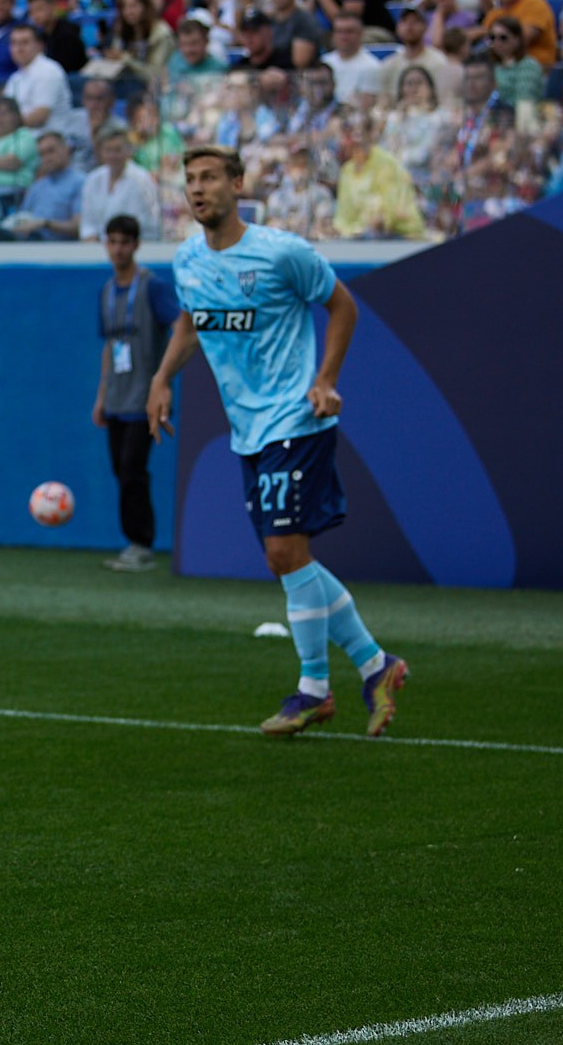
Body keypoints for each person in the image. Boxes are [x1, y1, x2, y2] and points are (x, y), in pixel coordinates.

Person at [147, 146, 408, 737]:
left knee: (284, 552)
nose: (198, 189)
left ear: (238, 185)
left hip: (295, 419)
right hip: (248, 431)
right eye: (190, 180)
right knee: (287, 560)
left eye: (210, 178)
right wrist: (162, 379)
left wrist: (326, 380)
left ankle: (314, 690)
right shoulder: (188, 259)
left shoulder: (281, 252)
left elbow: (343, 306)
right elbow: (190, 322)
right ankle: (376, 666)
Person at [93, 214, 181, 571]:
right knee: (120, 469)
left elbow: (181, 328)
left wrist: (163, 380)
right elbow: (110, 346)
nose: (118, 249)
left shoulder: (153, 288)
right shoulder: (106, 291)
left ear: (136, 245)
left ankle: (142, 543)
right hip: (117, 397)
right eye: (112, 242)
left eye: (124, 242)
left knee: (133, 468)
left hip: (145, 398)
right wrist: (101, 396)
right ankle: (133, 542)